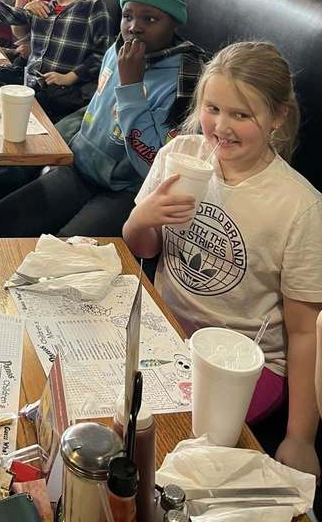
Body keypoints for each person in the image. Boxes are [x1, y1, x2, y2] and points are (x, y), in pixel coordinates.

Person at [123, 42, 322, 479]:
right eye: (212, 108)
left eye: (241, 115)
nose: (221, 126)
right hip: (167, 331)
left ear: (278, 117)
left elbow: (305, 332)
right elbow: (144, 248)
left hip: (246, 362)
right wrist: (141, 217)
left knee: (163, 440)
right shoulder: (180, 158)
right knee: (112, 414)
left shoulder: (300, 207)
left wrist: (301, 438)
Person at [0, 0, 206, 238]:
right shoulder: (117, 49)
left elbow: (153, 166)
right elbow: (95, 108)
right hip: (82, 167)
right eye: (127, 16)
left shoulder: (187, 79)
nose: (134, 28)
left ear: (174, 22)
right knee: (1, 221)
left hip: (127, 190)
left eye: (150, 19)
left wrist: (131, 87)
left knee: (65, 252)